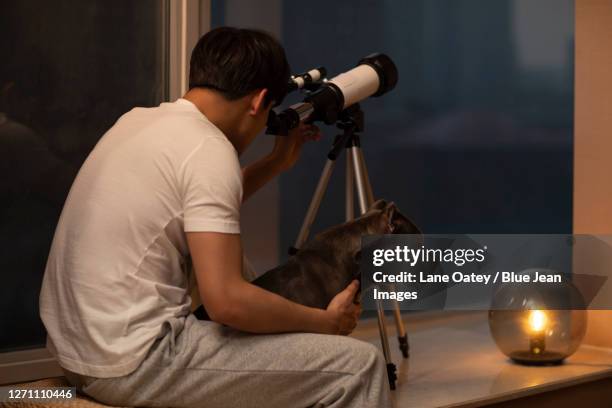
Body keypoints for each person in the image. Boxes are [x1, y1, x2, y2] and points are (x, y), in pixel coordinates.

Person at [39, 27, 391, 408]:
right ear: (258, 102)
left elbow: (192, 203)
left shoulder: (138, 120)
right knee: (359, 366)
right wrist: (325, 323)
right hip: (134, 362)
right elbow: (226, 302)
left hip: (79, 348)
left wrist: (274, 162)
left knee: (246, 275)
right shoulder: (210, 149)